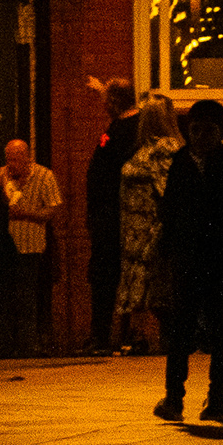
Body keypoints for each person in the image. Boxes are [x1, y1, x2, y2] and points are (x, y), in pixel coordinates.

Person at [152, 99, 223, 424]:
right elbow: (170, 210)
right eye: (195, 129)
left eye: (208, 130)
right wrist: (168, 250)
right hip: (187, 258)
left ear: (220, 130)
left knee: (218, 328)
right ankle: (174, 397)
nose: (200, 136)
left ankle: (219, 398)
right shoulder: (181, 162)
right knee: (181, 330)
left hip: (218, 258)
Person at [0, 135, 63, 358]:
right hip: (7, 246)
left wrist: (27, 213)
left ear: (27, 158)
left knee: (27, 295)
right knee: (5, 295)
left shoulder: (44, 176)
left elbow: (53, 209)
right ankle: (6, 343)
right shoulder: (4, 174)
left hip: (32, 245)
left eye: (16, 159)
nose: (12, 165)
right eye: (9, 159)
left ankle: (28, 344)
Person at [118, 94, 179, 356]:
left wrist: (160, 228)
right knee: (144, 285)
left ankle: (157, 338)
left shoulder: (164, 147)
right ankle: (142, 336)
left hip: (148, 228)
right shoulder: (150, 147)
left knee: (151, 286)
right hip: (136, 228)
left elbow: (167, 190)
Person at [84, 82, 139, 354]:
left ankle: (104, 336)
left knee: (106, 277)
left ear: (116, 101)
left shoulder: (121, 129)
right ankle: (117, 335)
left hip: (112, 217)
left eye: (107, 99)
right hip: (112, 215)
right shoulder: (129, 126)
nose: (103, 105)